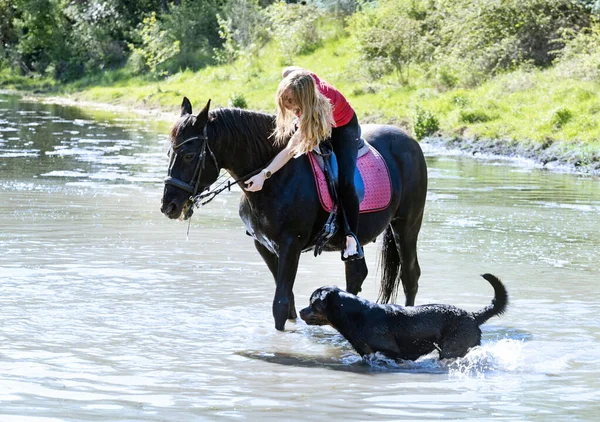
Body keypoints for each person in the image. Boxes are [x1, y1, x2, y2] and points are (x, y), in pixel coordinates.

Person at [244, 67, 363, 261]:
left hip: (342, 128)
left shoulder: (321, 107)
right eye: (284, 98)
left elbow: (292, 150)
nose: (286, 104)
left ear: (304, 99)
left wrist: (264, 174)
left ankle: (352, 239)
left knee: (345, 182)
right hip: (313, 113)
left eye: (290, 101)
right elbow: (286, 70)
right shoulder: (295, 77)